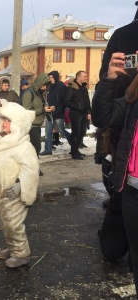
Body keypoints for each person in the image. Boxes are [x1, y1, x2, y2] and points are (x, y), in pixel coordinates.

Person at [92, 50, 138, 297]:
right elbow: (102, 117)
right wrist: (109, 79)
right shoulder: (131, 101)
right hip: (132, 191)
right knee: (128, 256)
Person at [0, 99, 39, 268]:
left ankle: (22, 255)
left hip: (14, 193)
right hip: (1, 192)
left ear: (18, 124)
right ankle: (13, 247)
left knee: (14, 223)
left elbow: (31, 169)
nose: (4, 124)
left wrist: (20, 185)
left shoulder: (24, 147)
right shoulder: (2, 142)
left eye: (8, 121)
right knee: (5, 221)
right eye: (3, 120)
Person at [22, 72, 51, 176]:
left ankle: (33, 168)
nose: (44, 88)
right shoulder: (29, 93)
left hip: (37, 124)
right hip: (31, 125)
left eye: (45, 86)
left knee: (36, 148)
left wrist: (47, 109)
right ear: (39, 84)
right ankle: (32, 169)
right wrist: (42, 110)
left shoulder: (39, 94)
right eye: (43, 85)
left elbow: (40, 106)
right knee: (34, 148)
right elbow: (27, 110)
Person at [40, 71, 71, 155]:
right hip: (49, 113)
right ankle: (48, 150)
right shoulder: (49, 87)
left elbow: (65, 100)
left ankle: (74, 143)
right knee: (48, 131)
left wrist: (58, 108)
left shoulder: (62, 86)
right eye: (49, 77)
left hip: (59, 112)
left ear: (56, 77)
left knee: (61, 130)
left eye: (52, 77)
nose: (50, 79)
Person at [64, 71, 91, 160]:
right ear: (78, 77)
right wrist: (77, 107)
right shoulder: (72, 88)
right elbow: (67, 101)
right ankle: (74, 152)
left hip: (83, 114)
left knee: (82, 132)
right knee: (75, 133)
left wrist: (88, 112)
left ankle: (76, 150)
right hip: (75, 113)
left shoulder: (84, 88)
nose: (86, 78)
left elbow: (87, 101)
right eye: (84, 76)